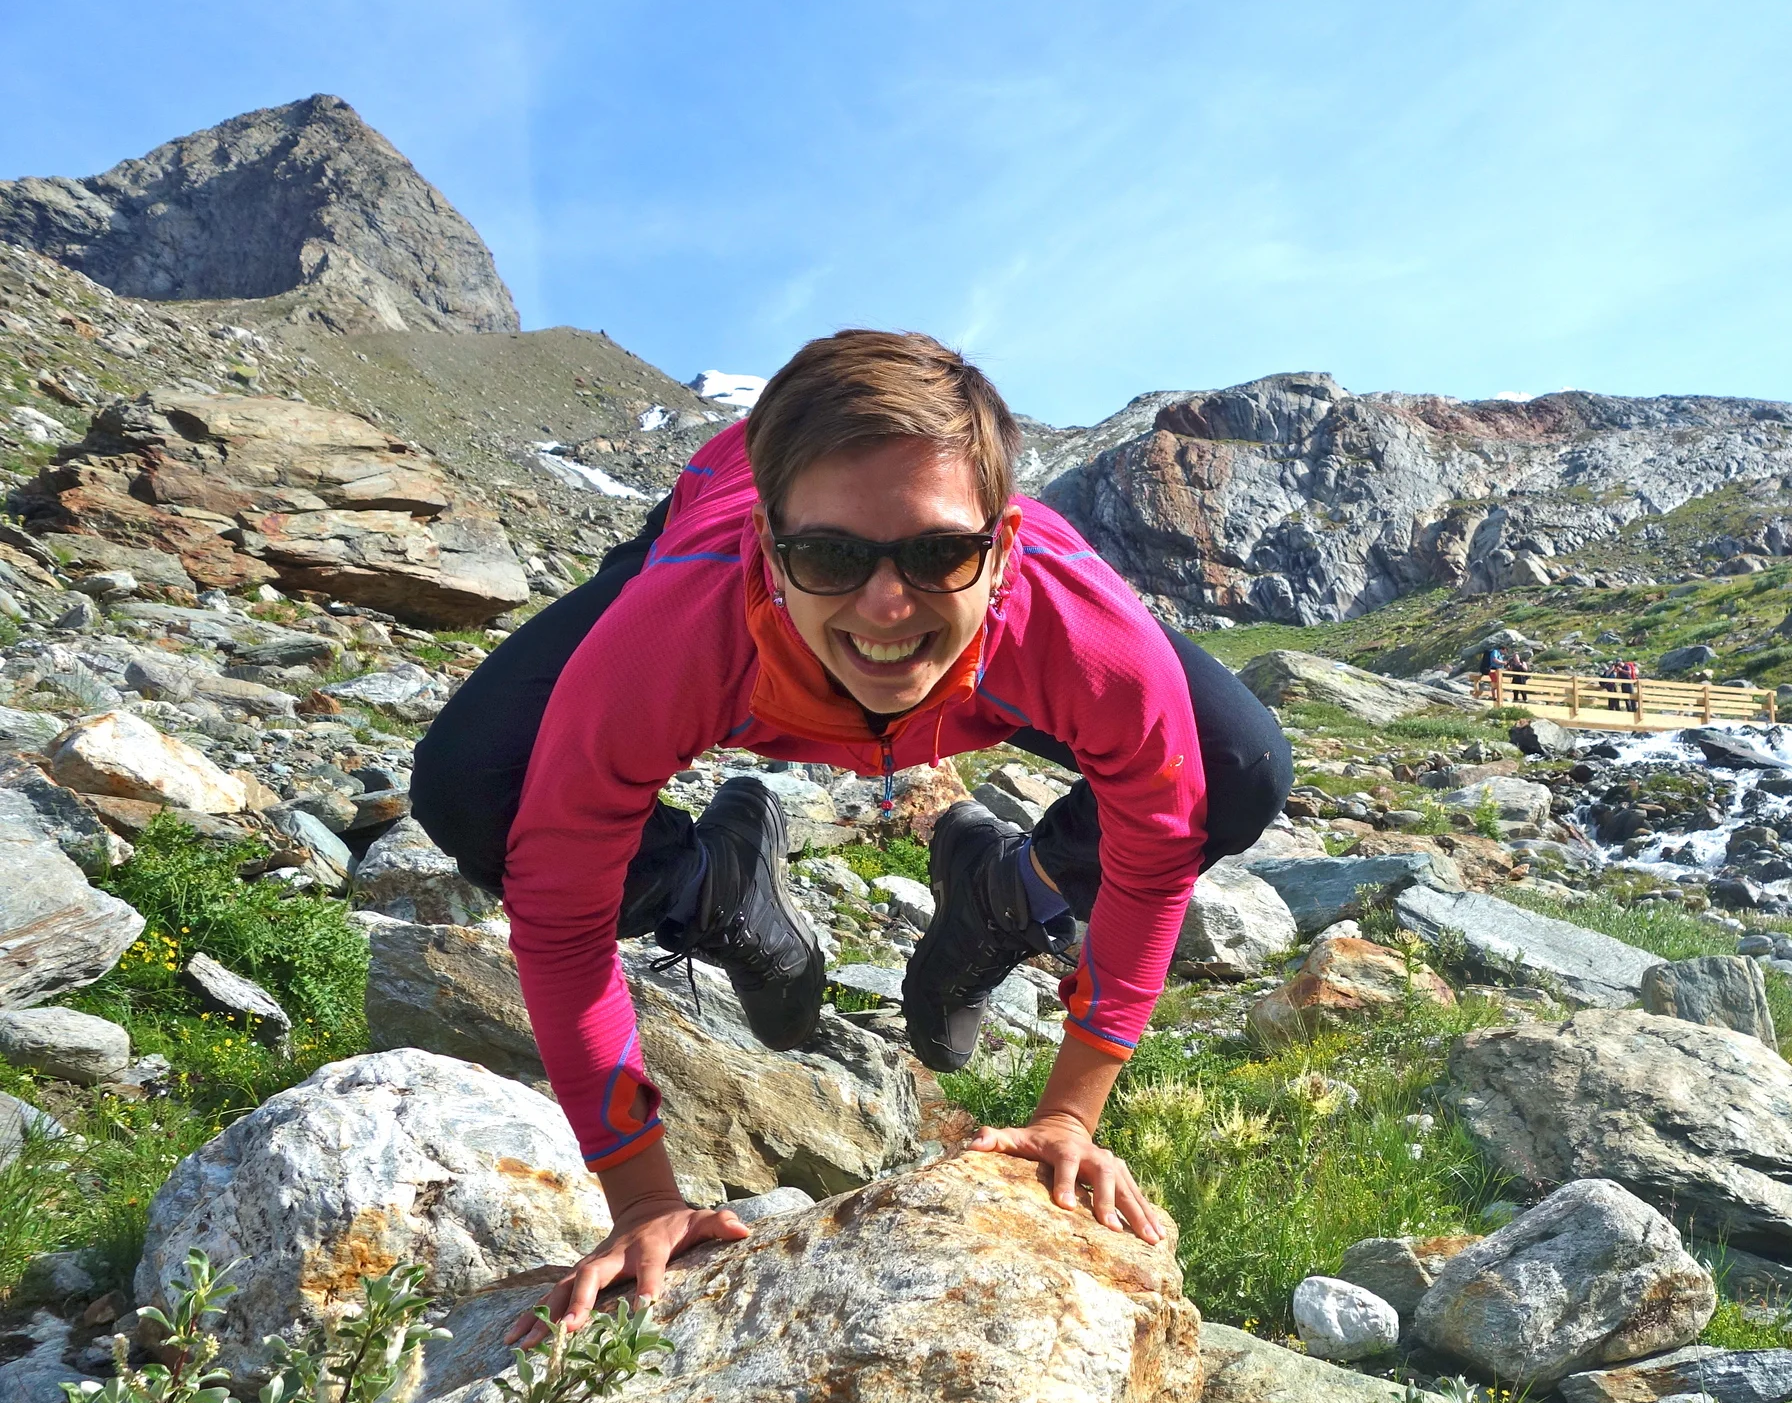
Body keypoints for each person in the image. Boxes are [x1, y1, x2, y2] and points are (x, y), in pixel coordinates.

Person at [409, 330, 1292, 1342]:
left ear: (1003, 546)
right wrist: (644, 1195)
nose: (884, 603)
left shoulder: (1084, 635)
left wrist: (1069, 1115)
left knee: (1237, 767)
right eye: (829, 555)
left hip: (975, 652)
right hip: (727, 602)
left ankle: (1011, 894)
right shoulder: (669, 634)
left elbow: (1155, 843)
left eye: (938, 551)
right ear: (770, 548)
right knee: (475, 786)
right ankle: (713, 889)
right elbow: (560, 920)